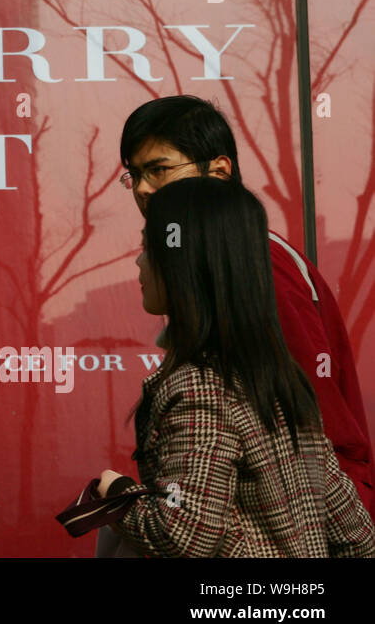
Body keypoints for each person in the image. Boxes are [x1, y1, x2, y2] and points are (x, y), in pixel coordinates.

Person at [117, 95, 374, 513]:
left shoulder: (258, 262)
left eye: (158, 169)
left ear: (218, 171)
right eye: (134, 175)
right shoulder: (205, 265)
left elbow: (314, 418)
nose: (143, 188)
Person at [90, 177, 374, 556]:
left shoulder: (200, 387)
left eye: (147, 246)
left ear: (182, 265)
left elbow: (184, 535)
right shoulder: (282, 382)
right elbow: (357, 537)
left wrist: (116, 495)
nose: (139, 260)